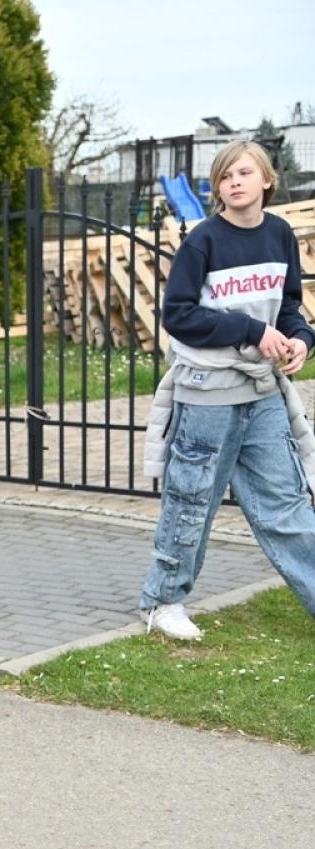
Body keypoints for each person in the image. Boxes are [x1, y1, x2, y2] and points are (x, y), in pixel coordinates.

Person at [138, 139, 315, 639]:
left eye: (243, 173)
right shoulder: (203, 241)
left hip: (262, 396)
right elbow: (179, 316)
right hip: (207, 394)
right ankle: (162, 601)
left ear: (266, 180)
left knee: (287, 505)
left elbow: (287, 307)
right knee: (192, 501)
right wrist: (250, 331)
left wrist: (301, 339)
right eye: (224, 176)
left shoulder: (280, 235)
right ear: (217, 189)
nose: (234, 182)